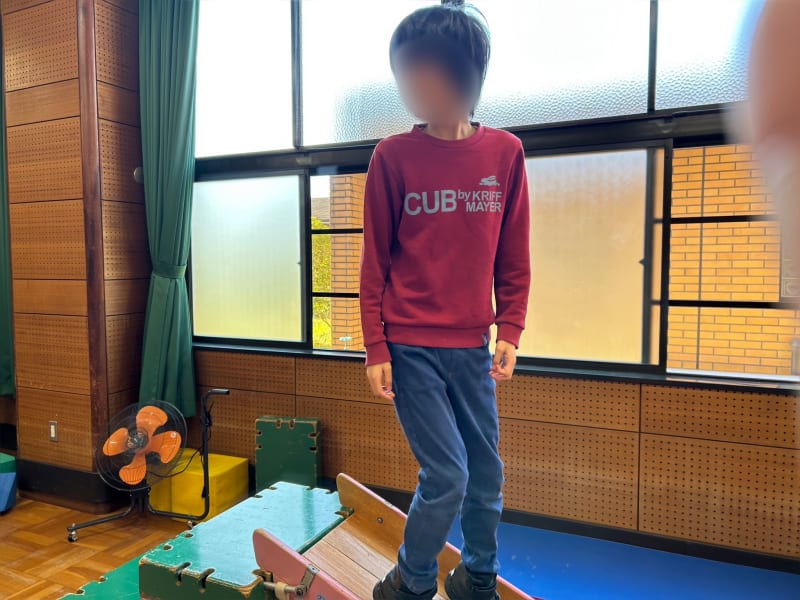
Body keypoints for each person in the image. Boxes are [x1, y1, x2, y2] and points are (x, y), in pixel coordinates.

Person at [359, 2, 531, 599]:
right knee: (448, 475)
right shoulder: (392, 157)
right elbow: (374, 262)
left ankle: (476, 578)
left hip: (472, 346)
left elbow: (513, 254)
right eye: (403, 73)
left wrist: (510, 329)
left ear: (465, 73)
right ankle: (408, 584)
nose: (409, 86)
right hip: (410, 347)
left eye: (421, 72)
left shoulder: (504, 154)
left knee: (486, 474)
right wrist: (375, 346)